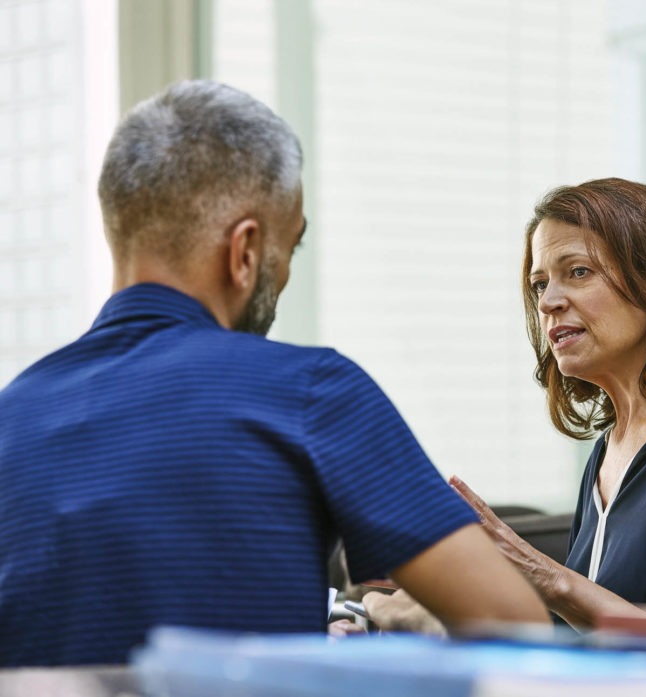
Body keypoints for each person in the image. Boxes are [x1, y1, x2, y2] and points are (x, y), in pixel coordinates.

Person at [0, 80, 549, 667]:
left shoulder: (11, 413)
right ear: (244, 251)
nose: (284, 274)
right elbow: (519, 634)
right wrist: (405, 625)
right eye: (291, 248)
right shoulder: (311, 391)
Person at [366, 178, 646, 632]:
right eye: (539, 284)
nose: (549, 302)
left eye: (578, 271)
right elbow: (584, 635)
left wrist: (545, 577)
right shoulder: (607, 450)